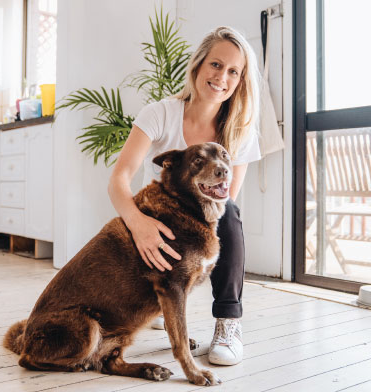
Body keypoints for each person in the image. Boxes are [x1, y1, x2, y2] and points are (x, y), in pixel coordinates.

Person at [108, 26, 261, 366]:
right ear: (198, 66)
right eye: (216, 65)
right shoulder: (160, 114)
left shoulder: (241, 130)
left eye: (233, 71)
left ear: (240, 81)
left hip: (200, 222)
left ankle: (228, 324)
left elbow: (223, 201)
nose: (222, 77)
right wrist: (137, 222)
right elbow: (118, 179)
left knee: (231, 213)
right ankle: (160, 304)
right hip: (160, 220)